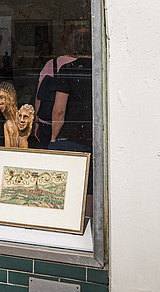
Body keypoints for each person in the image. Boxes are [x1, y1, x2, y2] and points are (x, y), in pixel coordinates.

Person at [51, 25, 93, 212]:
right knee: (91, 189)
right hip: (97, 137)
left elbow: (59, 111)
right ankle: (90, 225)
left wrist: (53, 138)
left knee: (69, 189)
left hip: (72, 137)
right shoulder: (103, 69)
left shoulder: (68, 69)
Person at [34, 25, 76, 145]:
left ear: (62, 44)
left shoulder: (50, 64)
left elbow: (39, 95)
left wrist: (37, 121)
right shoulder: (82, 65)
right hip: (72, 124)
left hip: (48, 122)